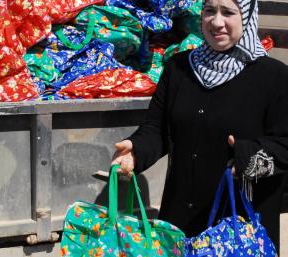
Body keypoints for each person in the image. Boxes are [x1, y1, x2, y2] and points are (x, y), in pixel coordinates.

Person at [111, 0, 288, 252]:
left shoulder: (274, 77)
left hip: (238, 234)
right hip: (180, 223)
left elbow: (284, 145)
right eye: (209, 11)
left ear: (247, 17)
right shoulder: (179, 68)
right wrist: (136, 150)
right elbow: (157, 129)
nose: (216, 22)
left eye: (228, 12)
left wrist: (247, 155)